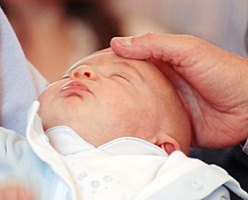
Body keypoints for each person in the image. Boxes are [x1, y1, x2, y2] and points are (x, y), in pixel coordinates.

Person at [0, 49, 248, 200]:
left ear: (163, 147)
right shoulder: (12, 150)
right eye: (66, 76)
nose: (81, 71)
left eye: (120, 77)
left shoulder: (181, 180)